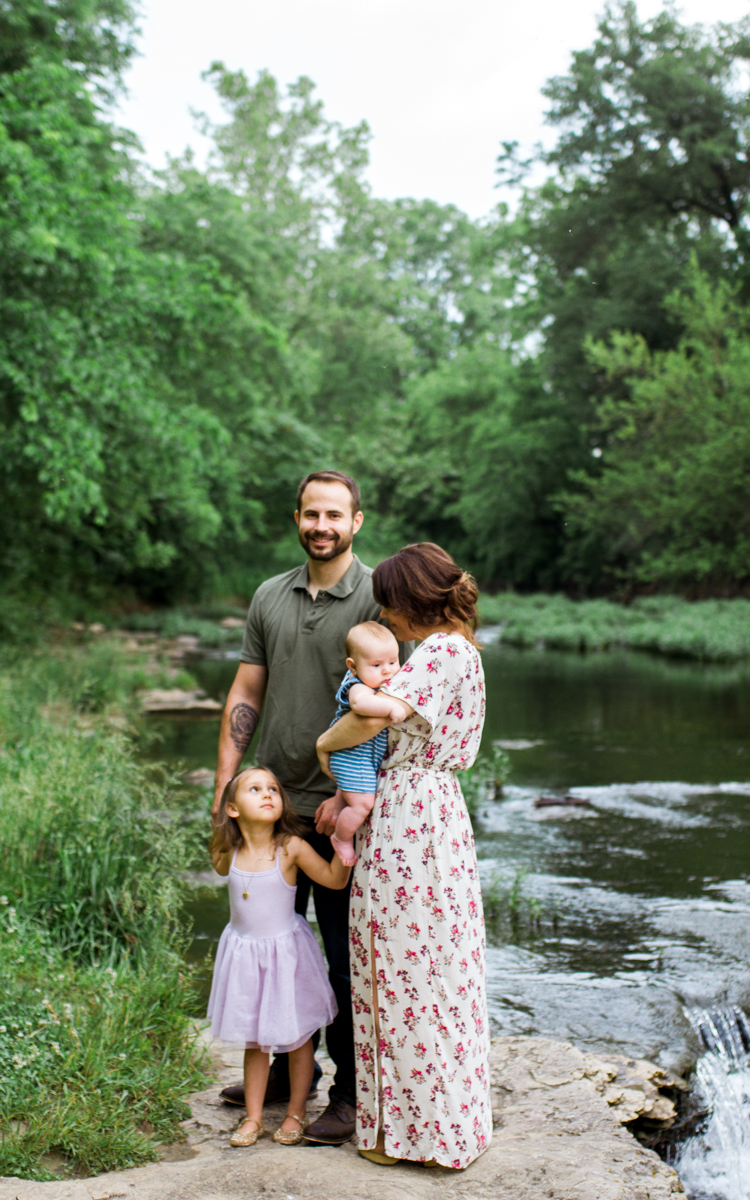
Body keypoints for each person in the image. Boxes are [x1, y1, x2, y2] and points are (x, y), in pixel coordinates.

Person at [212, 470, 412, 1145]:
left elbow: (392, 708)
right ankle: (268, 1077)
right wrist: (227, 784)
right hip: (273, 810)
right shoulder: (271, 595)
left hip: (341, 814)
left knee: (342, 957)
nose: (321, 525)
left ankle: (349, 1093)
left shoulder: (381, 599)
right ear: (296, 518)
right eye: (311, 514)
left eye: (335, 514)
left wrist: (349, 795)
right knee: (266, 946)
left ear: (357, 521)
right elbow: (246, 688)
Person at [316, 542, 492, 1170]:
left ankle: (414, 1132)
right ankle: (415, 1123)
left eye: (390, 605)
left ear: (413, 600)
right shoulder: (457, 652)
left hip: (412, 819)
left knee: (404, 967)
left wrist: (323, 740)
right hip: (427, 812)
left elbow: (371, 718)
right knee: (425, 965)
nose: (386, 617)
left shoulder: (443, 650)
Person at [208, 766, 349, 1147]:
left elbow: (334, 880)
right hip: (246, 957)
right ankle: (253, 1117)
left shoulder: (290, 847)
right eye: (255, 789)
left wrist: (344, 844)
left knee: (298, 1037)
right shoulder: (231, 851)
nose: (268, 793)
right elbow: (217, 863)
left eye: (273, 788)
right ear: (234, 809)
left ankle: (295, 1112)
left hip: (286, 958)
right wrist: (217, 826)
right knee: (255, 1040)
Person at [328, 622, 406, 866]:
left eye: (393, 662)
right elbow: (361, 705)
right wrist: (391, 707)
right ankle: (341, 838)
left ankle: (340, 819)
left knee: (349, 799)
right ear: (353, 666)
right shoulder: (356, 686)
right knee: (363, 805)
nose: (387, 671)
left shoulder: (376, 682)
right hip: (351, 756)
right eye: (376, 665)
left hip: (362, 757)